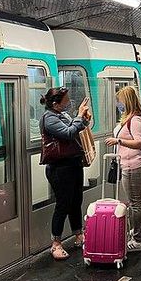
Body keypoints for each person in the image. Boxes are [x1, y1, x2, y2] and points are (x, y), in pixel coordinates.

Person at [40, 87, 90, 260]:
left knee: (76, 201)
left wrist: (84, 119)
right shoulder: (49, 118)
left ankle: (78, 234)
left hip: (73, 163)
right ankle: (56, 243)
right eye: (66, 100)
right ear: (55, 104)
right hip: (59, 167)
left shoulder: (63, 115)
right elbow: (68, 133)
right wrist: (79, 116)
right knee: (63, 204)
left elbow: (76, 129)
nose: (69, 102)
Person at [105, 86, 141, 251]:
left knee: (135, 203)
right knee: (139, 200)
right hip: (133, 163)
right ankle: (140, 231)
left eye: (120, 101)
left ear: (127, 101)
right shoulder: (130, 117)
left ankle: (137, 240)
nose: (118, 104)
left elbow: (140, 142)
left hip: (133, 165)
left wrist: (119, 141)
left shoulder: (136, 120)